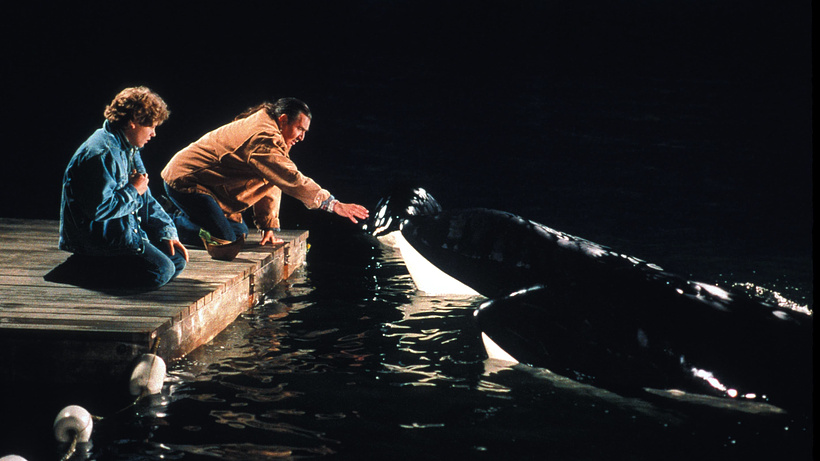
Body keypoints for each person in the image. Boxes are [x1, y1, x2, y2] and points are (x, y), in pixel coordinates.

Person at [161, 97, 369, 258]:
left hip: (209, 187)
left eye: (305, 131)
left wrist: (268, 225)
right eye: (299, 129)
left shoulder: (272, 133)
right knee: (226, 243)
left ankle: (186, 215)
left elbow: (272, 181)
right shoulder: (263, 137)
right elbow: (290, 178)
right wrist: (332, 204)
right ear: (283, 119)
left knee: (240, 233)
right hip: (185, 181)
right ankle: (171, 221)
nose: (302, 137)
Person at [49, 86, 188, 290]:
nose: (154, 133)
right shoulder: (101, 154)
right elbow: (99, 210)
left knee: (176, 260)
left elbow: (145, 197)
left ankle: (101, 266)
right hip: (100, 242)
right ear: (133, 122)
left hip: (125, 234)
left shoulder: (130, 147)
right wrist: (133, 190)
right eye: (150, 126)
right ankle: (81, 267)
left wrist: (167, 232)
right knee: (161, 272)